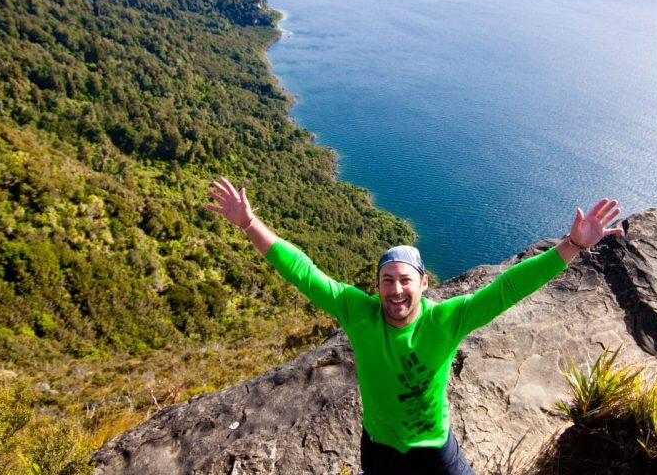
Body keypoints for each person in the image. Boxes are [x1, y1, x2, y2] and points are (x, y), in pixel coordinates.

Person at [205, 177, 624, 475]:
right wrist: (248, 223)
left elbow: (507, 289)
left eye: (406, 280)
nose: (396, 290)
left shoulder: (447, 318)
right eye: (387, 280)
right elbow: (303, 271)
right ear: (377, 287)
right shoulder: (358, 312)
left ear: (424, 284)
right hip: (380, 451)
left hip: (434, 449)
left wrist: (571, 246)